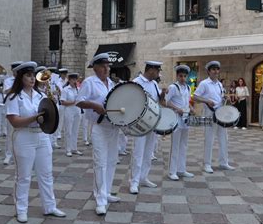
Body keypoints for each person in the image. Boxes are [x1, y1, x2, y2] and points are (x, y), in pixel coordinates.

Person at [5, 61, 66, 223]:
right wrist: (35, 117)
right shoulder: (14, 97)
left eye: (33, 76)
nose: (32, 79)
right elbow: (14, 121)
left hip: (42, 136)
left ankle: (50, 206)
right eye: (28, 75)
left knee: (46, 174)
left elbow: (50, 116)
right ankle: (21, 209)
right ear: (20, 77)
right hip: (24, 137)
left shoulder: (41, 96)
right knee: (23, 176)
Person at [76, 53, 121, 215]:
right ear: (95, 67)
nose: (106, 69)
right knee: (100, 163)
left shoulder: (112, 83)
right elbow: (79, 101)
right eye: (103, 66)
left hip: (113, 126)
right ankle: (100, 199)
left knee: (112, 161)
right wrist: (94, 105)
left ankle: (107, 192)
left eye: (108, 66)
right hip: (100, 126)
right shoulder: (89, 82)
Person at [129, 61, 166, 194]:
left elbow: (159, 102)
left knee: (149, 152)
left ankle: (144, 177)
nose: (158, 74)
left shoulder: (154, 84)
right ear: (150, 70)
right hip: (140, 122)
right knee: (138, 152)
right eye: (157, 71)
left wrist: (162, 95)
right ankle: (134, 181)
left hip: (152, 121)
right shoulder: (137, 82)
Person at [194, 61, 235, 173]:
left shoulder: (219, 84)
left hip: (220, 114)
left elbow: (220, 97)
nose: (216, 71)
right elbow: (196, 97)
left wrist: (224, 98)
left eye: (217, 69)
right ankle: (207, 164)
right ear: (209, 71)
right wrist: (207, 100)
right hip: (209, 114)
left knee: (224, 139)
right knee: (209, 139)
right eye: (213, 69)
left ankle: (224, 162)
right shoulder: (204, 84)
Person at [165, 64, 195, 181]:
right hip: (176, 118)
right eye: (181, 76)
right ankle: (172, 171)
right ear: (177, 76)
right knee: (175, 145)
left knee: (184, 145)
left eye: (185, 76)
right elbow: (166, 101)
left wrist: (191, 108)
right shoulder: (173, 87)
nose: (183, 78)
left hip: (186, 118)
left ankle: (181, 169)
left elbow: (187, 101)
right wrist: (177, 109)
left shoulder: (187, 87)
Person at [3, 61, 23, 165]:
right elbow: (7, 91)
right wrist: (17, 85)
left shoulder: (24, 80)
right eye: (15, 71)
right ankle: (8, 155)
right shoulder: (8, 80)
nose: (16, 73)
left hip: (23, 108)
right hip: (12, 109)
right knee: (10, 134)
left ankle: (19, 154)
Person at [61, 73, 83, 157]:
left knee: (75, 130)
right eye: (73, 79)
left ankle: (74, 148)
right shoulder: (66, 89)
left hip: (77, 110)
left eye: (75, 79)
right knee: (68, 131)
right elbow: (63, 102)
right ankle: (68, 149)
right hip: (69, 110)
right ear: (69, 80)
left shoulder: (79, 89)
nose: (74, 81)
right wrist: (74, 102)